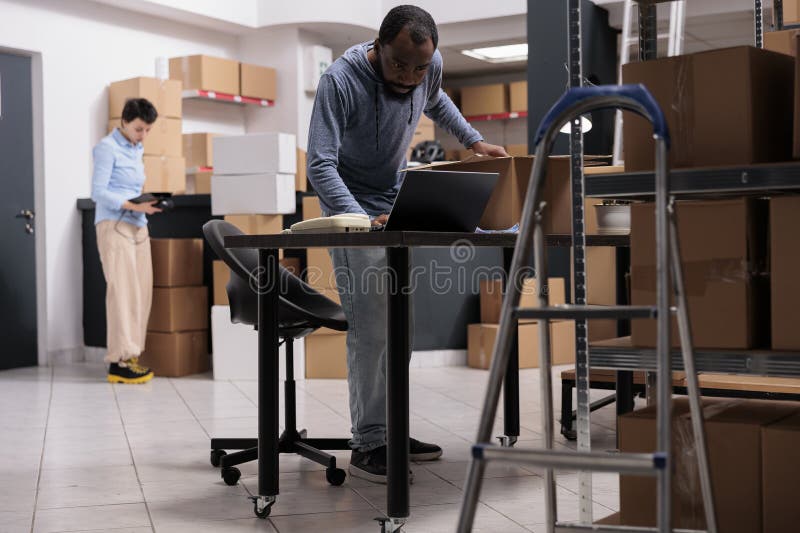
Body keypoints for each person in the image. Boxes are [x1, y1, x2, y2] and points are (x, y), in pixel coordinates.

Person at [307, 4, 508, 483]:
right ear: (377, 48)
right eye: (400, 64)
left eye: (420, 67)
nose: (411, 76)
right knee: (373, 325)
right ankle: (370, 442)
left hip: (394, 202)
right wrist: (357, 219)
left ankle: (390, 430)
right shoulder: (340, 80)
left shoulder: (426, 69)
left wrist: (474, 142)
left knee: (400, 322)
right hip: (352, 207)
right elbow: (320, 165)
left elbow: (436, 99)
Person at [92, 98, 162, 384]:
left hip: (138, 225)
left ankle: (131, 355)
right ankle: (118, 362)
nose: (142, 135)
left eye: (147, 130)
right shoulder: (106, 148)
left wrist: (147, 204)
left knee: (141, 291)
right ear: (123, 122)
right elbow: (98, 192)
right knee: (121, 291)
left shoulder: (137, 149)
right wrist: (133, 206)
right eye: (138, 129)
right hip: (114, 224)